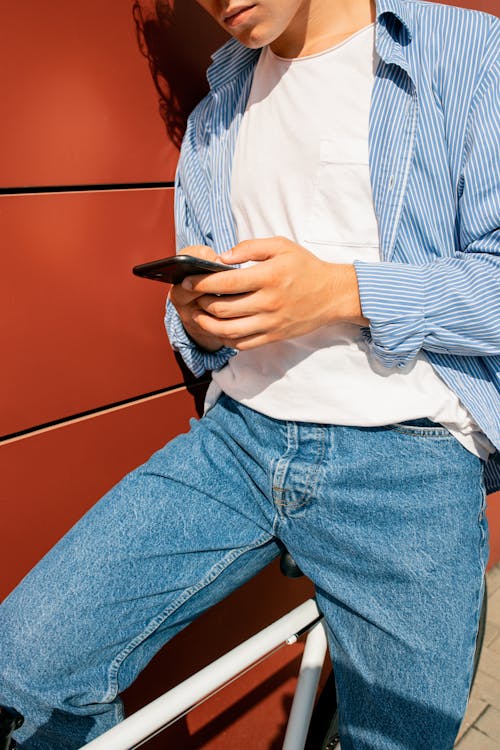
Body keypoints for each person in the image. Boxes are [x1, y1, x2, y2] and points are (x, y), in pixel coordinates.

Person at [1, 0, 499, 747]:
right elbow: (200, 296)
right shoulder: (219, 110)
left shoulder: (470, 54)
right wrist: (198, 321)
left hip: (410, 462)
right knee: (26, 665)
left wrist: (342, 291)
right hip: (236, 441)